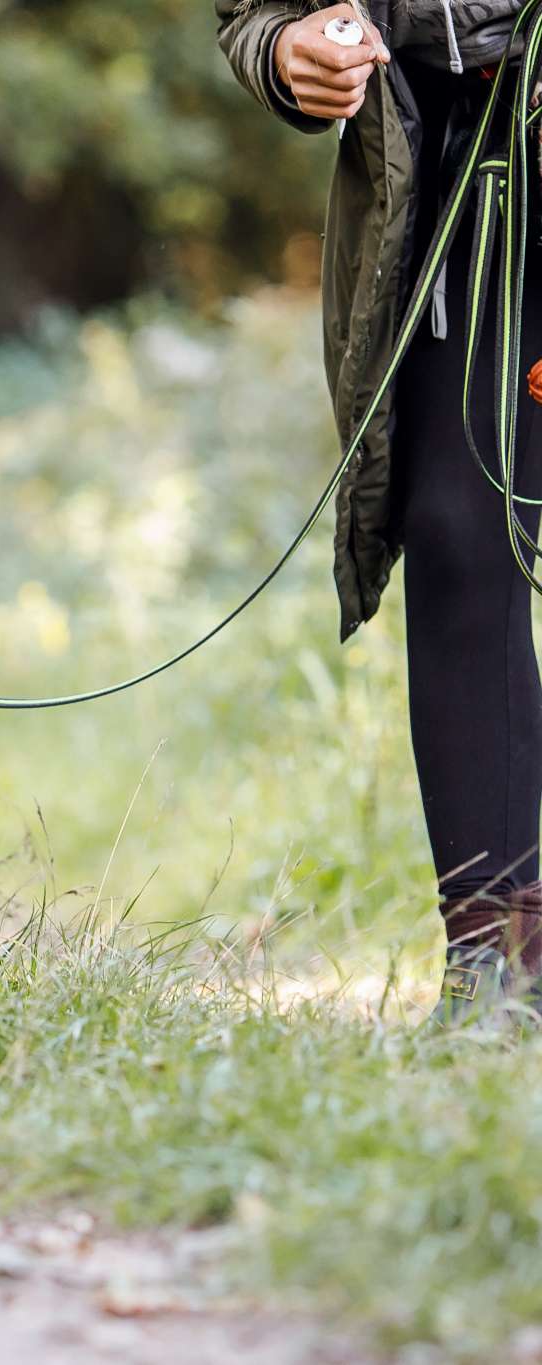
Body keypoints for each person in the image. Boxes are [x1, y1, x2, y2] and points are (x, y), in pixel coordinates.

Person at [216, 1, 542, 1020]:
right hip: (451, 169)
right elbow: (254, 15)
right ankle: (501, 962)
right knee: (456, 534)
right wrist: (285, 51)